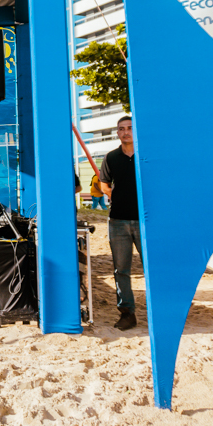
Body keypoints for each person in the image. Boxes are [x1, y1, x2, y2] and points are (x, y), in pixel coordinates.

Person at [99, 116, 141, 331]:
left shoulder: (147, 155)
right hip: (118, 221)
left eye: (130, 128)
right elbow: (103, 184)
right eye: (121, 129)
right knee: (121, 269)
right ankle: (127, 313)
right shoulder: (111, 157)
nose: (126, 132)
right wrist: (114, 195)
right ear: (117, 133)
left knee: (153, 267)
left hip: (145, 221)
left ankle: (160, 309)